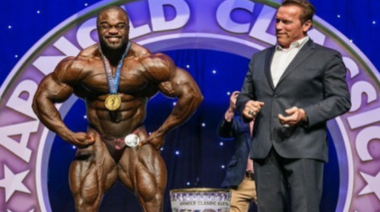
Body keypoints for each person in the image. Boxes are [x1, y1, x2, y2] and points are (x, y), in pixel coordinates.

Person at [32, 5, 203, 212]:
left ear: (128, 28)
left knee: (153, 198)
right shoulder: (81, 65)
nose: (113, 31)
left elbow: (192, 94)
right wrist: (66, 134)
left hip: (135, 139)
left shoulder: (147, 63)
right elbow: (42, 98)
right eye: (106, 26)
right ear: (98, 28)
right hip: (97, 141)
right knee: (85, 201)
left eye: (119, 26)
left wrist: (162, 131)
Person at [236, 0, 351, 211]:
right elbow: (245, 95)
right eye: (277, 20)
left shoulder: (326, 58)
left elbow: (341, 100)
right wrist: (245, 106)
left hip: (304, 147)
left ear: (306, 25)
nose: (278, 26)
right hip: (265, 149)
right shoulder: (259, 58)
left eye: (286, 22)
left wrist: (305, 114)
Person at [218, 91, 257, 212]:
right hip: (241, 181)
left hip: (265, 180)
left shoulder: (270, 122)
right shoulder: (240, 121)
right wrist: (231, 109)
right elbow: (223, 132)